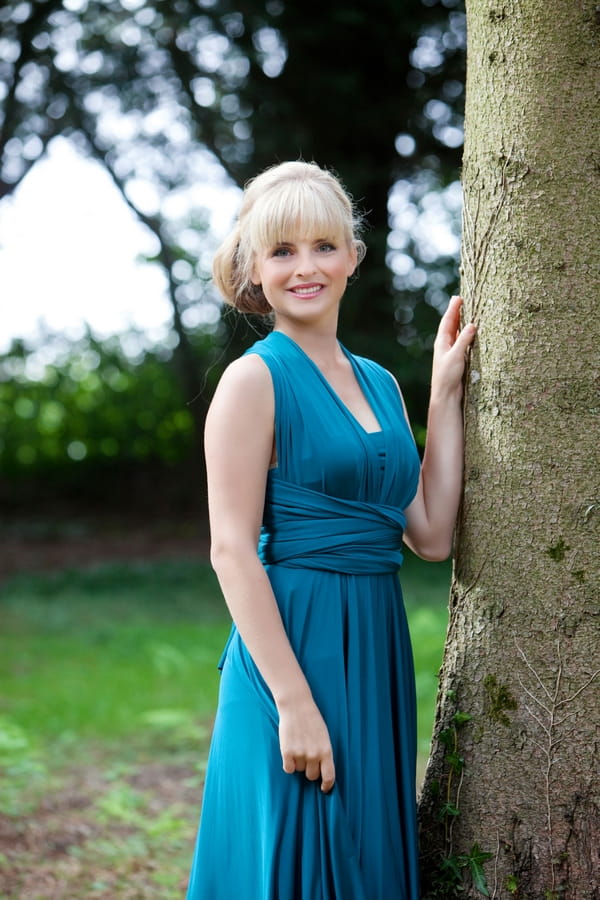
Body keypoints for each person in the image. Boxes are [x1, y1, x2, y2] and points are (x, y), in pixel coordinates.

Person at [186, 160, 476, 899]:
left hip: (373, 644)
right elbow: (230, 550)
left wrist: (443, 396)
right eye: (282, 252)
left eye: (322, 246)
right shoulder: (254, 380)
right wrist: (294, 702)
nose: (305, 267)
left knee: (360, 855)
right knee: (296, 858)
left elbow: (431, 533)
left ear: (353, 256)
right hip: (292, 649)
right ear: (254, 271)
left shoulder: (377, 380)